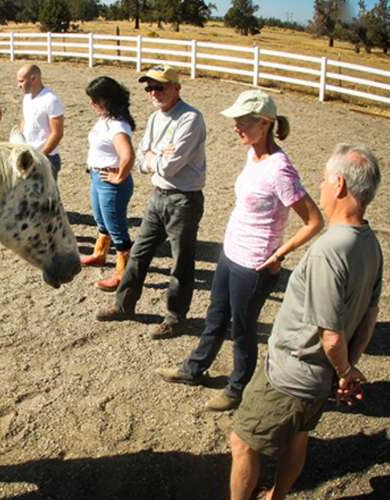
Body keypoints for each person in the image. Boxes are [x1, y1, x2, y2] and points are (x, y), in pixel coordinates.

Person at [229, 144, 382, 500]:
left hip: (291, 374)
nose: (322, 187)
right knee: (298, 436)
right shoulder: (370, 244)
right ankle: (276, 497)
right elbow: (370, 315)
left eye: (326, 179)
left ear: (340, 184)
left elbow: (330, 335)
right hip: (319, 379)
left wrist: (345, 372)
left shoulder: (331, 249)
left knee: (242, 443)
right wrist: (347, 369)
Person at [155, 90, 324, 411]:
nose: (236, 127)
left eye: (242, 122)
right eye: (235, 121)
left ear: (264, 123)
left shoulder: (280, 169)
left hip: (256, 265)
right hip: (231, 254)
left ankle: (237, 388)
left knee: (243, 330)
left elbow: (315, 221)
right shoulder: (253, 155)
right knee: (215, 317)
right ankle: (194, 369)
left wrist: (279, 254)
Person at [95, 65, 206, 340]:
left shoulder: (190, 119)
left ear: (176, 88)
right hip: (159, 196)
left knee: (181, 262)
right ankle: (124, 306)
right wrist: (156, 157)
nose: (154, 93)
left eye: (160, 87)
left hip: (183, 199)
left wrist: (152, 157)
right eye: (149, 88)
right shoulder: (156, 117)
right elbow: (142, 159)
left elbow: (168, 165)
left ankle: (175, 318)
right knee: (140, 253)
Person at [81, 76, 136, 290]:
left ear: (106, 100)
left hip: (109, 182)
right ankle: (100, 253)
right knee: (101, 220)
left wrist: (119, 176)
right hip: (98, 177)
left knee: (117, 227)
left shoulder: (117, 125)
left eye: (94, 100)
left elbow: (128, 155)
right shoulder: (106, 118)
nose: (91, 104)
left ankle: (123, 272)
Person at [17, 64, 64, 180]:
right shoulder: (27, 97)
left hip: (46, 158)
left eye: (21, 81)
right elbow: (25, 121)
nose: (19, 85)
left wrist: (40, 155)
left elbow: (57, 133)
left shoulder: (51, 100)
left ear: (33, 79)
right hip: (28, 155)